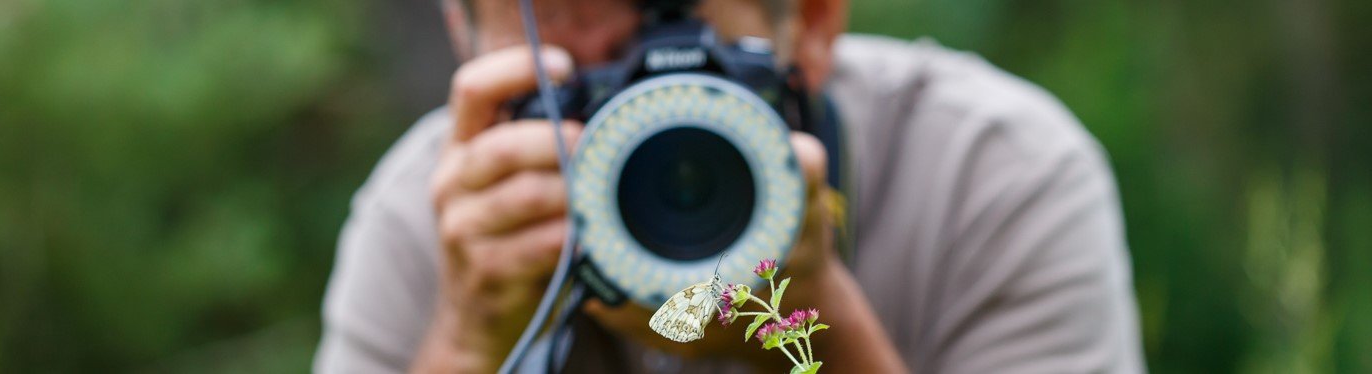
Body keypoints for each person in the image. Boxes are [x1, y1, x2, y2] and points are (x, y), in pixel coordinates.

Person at [314, 0, 1146, 372]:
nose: (631, 109)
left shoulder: (992, 172)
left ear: (811, 23)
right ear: (467, 38)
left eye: (669, 28)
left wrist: (801, 326)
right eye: (567, 61)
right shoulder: (435, 218)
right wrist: (466, 343)